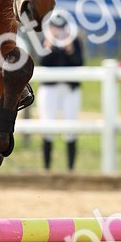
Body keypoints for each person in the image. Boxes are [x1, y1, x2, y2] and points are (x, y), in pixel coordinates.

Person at [37, 12, 84, 171]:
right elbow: (42, 62)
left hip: (69, 89)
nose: (59, 30)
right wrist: (48, 48)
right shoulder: (45, 42)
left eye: (61, 27)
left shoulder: (74, 41)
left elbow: (79, 63)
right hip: (50, 89)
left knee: (71, 128)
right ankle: (47, 168)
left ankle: (71, 168)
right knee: (47, 127)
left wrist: (70, 50)